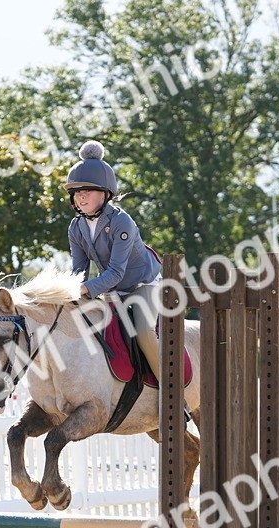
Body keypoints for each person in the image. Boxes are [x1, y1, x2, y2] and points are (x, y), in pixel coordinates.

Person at [64, 141, 163, 381]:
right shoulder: (76, 227)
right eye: (77, 191)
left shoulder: (122, 222)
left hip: (143, 284)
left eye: (88, 190)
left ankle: (172, 391)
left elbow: (116, 272)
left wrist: (86, 288)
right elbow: (79, 272)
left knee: (142, 331)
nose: (81, 196)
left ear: (106, 193)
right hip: (113, 289)